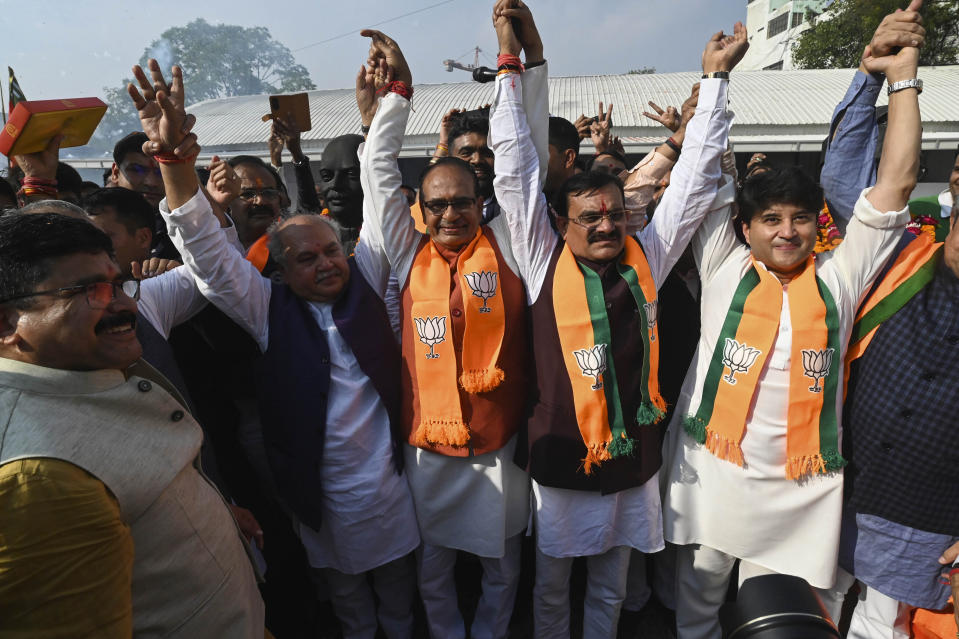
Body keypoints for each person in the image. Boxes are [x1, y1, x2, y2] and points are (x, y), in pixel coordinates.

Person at [138, 58, 420, 639]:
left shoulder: (370, 275)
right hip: (320, 494)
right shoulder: (267, 308)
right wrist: (173, 163)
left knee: (397, 594)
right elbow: (212, 262)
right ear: (282, 271)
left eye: (331, 252)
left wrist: (389, 109)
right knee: (348, 602)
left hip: (391, 488)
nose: (325, 265)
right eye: (307, 259)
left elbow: (383, 198)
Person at [660, 18, 921, 638]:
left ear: (815, 225)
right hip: (713, 474)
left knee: (777, 619)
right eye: (770, 218)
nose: (786, 231)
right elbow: (703, 178)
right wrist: (716, 79)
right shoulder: (722, 263)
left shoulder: (839, 274)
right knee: (696, 610)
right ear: (744, 229)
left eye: (801, 218)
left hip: (800, 485)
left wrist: (904, 80)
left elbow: (896, 183)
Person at [495, 4, 744, 634]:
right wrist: (509, 64)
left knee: (610, 585)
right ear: (561, 222)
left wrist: (714, 85)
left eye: (614, 214)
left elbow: (688, 188)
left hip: (633, 454)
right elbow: (515, 172)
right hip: (563, 456)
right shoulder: (539, 259)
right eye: (590, 218)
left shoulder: (647, 259)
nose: (607, 226)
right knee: (552, 587)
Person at [357, 9, 544, 637]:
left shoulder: (511, 245)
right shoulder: (408, 254)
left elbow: (524, 160)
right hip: (429, 447)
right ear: (422, 209)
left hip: (500, 443)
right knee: (432, 569)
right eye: (435, 204)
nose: (449, 214)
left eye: (462, 201)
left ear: (479, 201)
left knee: (500, 568)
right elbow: (377, 177)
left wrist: (511, 65)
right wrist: (397, 99)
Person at [0, 209, 265, 637]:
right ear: (6, 323)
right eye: (89, 291)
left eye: (118, 283)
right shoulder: (38, 478)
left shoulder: (88, 372)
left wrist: (207, 512)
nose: (123, 304)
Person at [816, 3, 959, 636]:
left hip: (928, 519)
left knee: (884, 631)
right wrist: (877, 76)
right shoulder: (902, 257)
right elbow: (848, 177)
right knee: (809, 615)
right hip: (837, 492)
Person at [319, 133, 365, 243]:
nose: (335, 184)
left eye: (351, 174)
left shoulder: (399, 238)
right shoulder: (312, 239)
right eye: (327, 176)